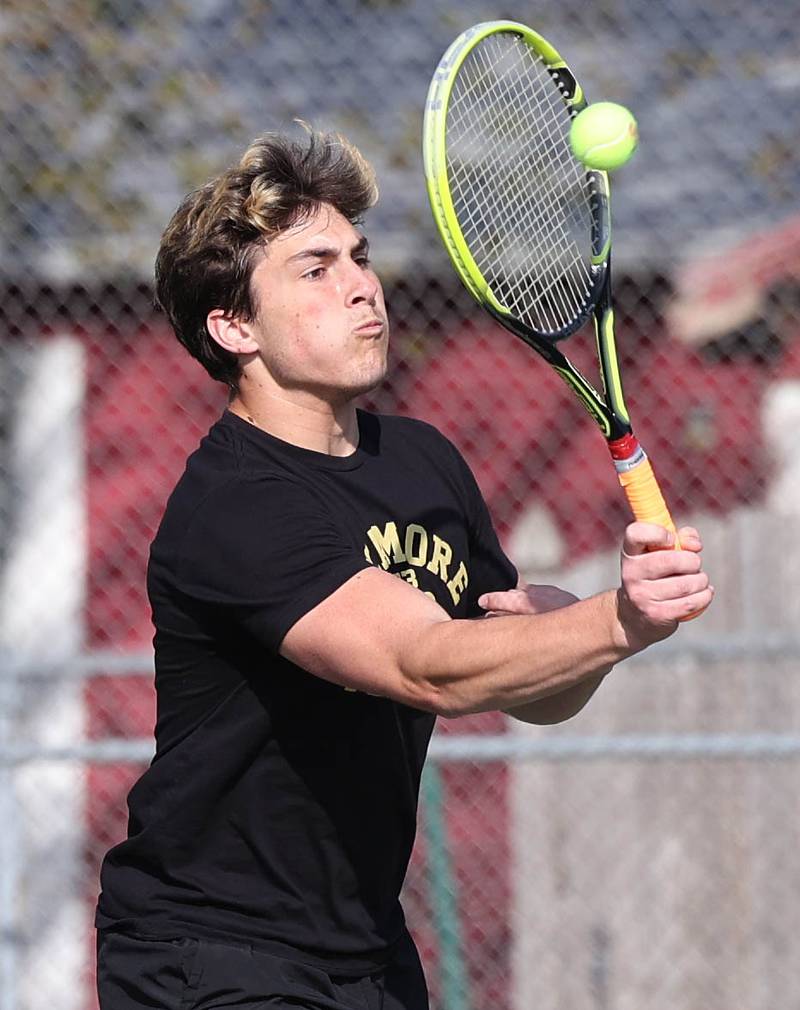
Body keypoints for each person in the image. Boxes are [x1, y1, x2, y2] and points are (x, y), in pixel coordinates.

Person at [95, 126, 713, 1010]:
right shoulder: (234, 505)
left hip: (365, 947)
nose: (361, 287)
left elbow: (530, 692)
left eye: (359, 255)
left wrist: (580, 637)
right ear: (233, 326)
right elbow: (422, 665)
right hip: (213, 953)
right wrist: (617, 619)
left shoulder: (420, 462)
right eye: (314, 270)